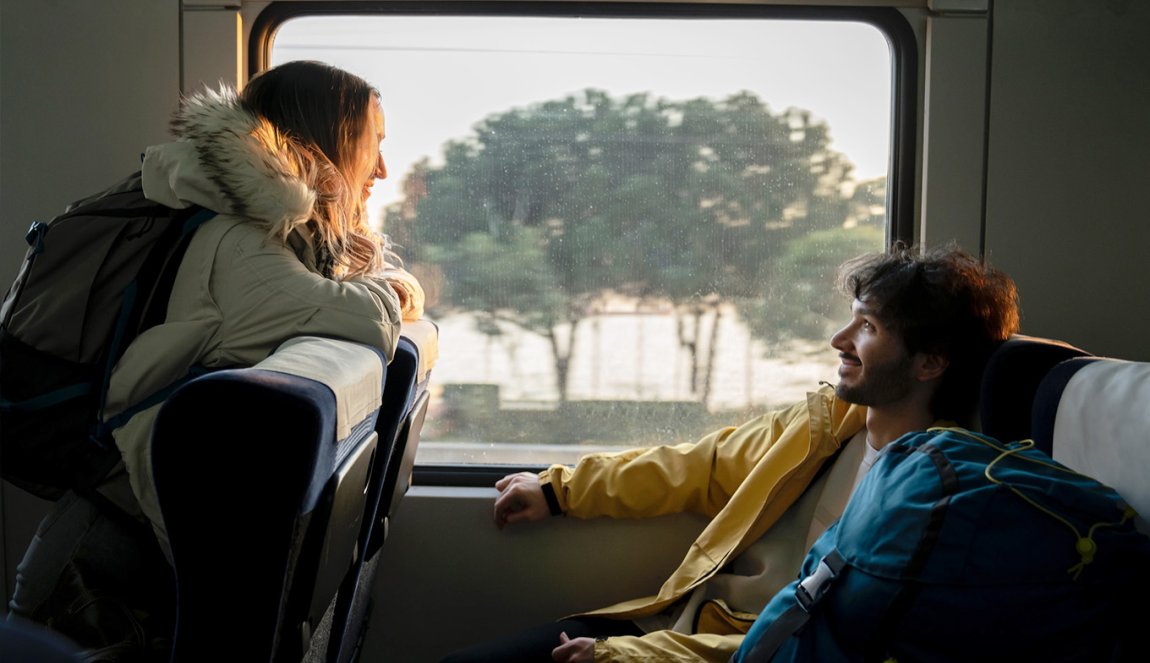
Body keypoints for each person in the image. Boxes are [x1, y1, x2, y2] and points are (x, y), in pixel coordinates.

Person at [8, 60, 424, 657]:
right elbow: (369, 322)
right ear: (330, 141)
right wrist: (392, 286)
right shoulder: (236, 240)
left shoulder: (265, 232)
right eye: (372, 146)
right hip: (95, 568)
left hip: (129, 545)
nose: (382, 168)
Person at [441, 244, 1020, 663]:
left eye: (866, 327)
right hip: (679, 625)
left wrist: (631, 658)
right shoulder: (826, 426)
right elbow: (705, 465)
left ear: (931, 362)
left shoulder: (934, 502)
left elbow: (824, 643)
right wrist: (559, 491)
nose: (839, 341)